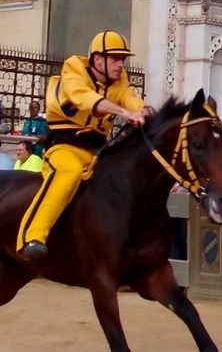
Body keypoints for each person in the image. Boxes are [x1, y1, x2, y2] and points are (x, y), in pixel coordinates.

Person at [17, 31, 152, 259]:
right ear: (98, 59)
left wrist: (144, 110)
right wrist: (125, 113)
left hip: (98, 152)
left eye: (123, 59)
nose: (121, 64)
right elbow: (84, 98)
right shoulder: (73, 70)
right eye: (116, 58)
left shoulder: (120, 80)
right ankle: (32, 237)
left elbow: (129, 98)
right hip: (64, 147)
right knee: (68, 172)